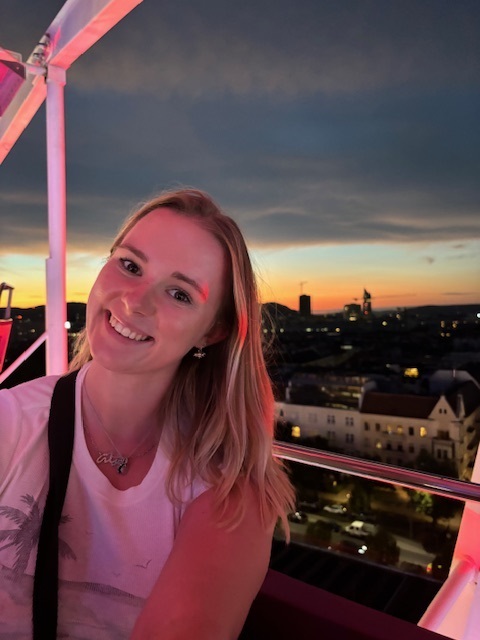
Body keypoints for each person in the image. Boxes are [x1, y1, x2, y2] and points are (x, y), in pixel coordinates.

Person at [0, 188, 295, 639]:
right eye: (130, 265)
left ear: (213, 331)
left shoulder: (225, 483)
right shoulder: (10, 423)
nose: (135, 301)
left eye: (178, 293)